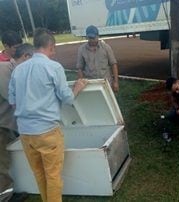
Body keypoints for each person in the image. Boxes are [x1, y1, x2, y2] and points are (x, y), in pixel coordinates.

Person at [8, 28, 88, 202]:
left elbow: (13, 102)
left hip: (25, 133)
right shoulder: (53, 67)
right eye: (54, 49)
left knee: (39, 174)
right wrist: (77, 88)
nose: (54, 52)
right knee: (52, 176)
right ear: (51, 46)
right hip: (47, 131)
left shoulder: (18, 70)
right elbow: (67, 98)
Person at [0, 43, 34, 202]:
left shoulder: (15, 70)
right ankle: (5, 197)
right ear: (26, 57)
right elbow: (13, 98)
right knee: (2, 163)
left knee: (6, 159)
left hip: (8, 123)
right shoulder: (4, 69)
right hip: (2, 124)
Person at [76, 25, 119, 92]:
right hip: (90, 84)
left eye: (93, 38)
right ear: (86, 37)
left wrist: (115, 82)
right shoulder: (81, 49)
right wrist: (81, 84)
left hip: (106, 83)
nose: (92, 40)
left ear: (98, 36)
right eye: (90, 38)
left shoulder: (106, 48)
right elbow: (79, 68)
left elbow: (113, 64)